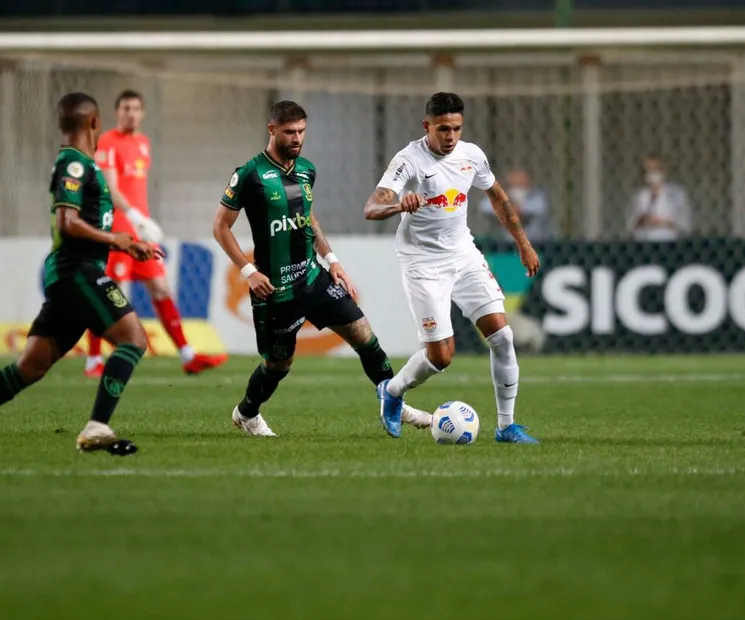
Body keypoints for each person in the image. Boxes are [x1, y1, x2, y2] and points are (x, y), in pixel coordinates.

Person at [0, 92, 158, 460]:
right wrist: (118, 240)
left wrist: (122, 244)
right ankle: (97, 426)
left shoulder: (79, 163)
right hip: (76, 273)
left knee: (30, 367)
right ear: (95, 123)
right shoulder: (74, 164)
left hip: (72, 274)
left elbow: (82, 224)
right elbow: (68, 222)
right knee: (134, 339)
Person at [212, 100, 432, 436]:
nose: (297, 138)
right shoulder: (249, 175)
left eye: (301, 131)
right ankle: (246, 413)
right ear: (272, 131)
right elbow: (221, 228)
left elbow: (308, 220)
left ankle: (393, 401)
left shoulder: (306, 170)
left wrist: (332, 261)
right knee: (278, 365)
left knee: (364, 335)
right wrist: (248, 271)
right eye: (289, 132)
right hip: (276, 291)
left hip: (313, 278)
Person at [364, 92, 541, 444]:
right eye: (443, 129)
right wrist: (400, 205)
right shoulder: (409, 160)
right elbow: (371, 207)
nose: (450, 137)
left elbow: (498, 197)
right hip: (423, 262)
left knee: (503, 337)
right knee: (441, 357)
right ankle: (393, 391)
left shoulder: (471, 155)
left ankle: (506, 426)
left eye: (456, 129)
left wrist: (523, 243)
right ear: (426, 126)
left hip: (463, 253)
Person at [84, 89, 228, 377]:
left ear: (143, 113)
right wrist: (134, 215)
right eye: (125, 108)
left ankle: (188, 356)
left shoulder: (143, 144)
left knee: (161, 288)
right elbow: (110, 189)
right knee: (109, 292)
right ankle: (94, 361)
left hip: (141, 233)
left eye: (136, 108)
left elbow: (135, 189)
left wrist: (143, 220)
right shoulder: (108, 142)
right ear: (117, 112)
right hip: (117, 231)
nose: (131, 113)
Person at [627, 154, 692, 242]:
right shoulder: (640, 195)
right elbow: (631, 222)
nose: (651, 173)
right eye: (648, 170)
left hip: (668, 241)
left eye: (655, 169)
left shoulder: (676, 193)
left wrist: (662, 222)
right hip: (644, 242)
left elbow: (685, 223)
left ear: (663, 170)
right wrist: (642, 220)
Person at [478, 168, 553, 242]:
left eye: (521, 182)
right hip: (503, 241)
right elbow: (484, 206)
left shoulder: (536, 195)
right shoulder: (501, 194)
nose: (518, 185)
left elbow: (540, 208)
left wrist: (518, 207)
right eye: (514, 182)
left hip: (535, 241)